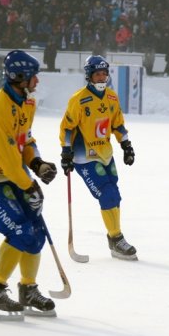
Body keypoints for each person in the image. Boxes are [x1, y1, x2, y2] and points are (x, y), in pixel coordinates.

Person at [0, 50, 58, 320]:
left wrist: (38, 163)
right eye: (33, 77)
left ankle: (28, 288)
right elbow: (7, 156)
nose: (37, 82)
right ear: (19, 77)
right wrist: (28, 185)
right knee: (21, 229)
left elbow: (25, 141)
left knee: (36, 230)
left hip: (12, 174)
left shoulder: (27, 104)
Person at [59, 55, 138, 260]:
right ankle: (116, 237)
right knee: (107, 194)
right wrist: (66, 152)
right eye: (97, 74)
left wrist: (126, 145)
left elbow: (117, 124)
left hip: (105, 154)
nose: (102, 77)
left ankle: (115, 240)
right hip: (84, 157)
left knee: (115, 194)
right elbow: (67, 128)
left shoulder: (112, 97)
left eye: (104, 73)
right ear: (89, 76)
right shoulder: (79, 99)